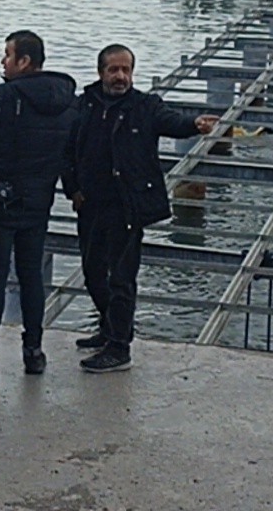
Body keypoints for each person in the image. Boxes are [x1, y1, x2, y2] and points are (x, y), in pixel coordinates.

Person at [60, 44, 219, 373]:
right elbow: (67, 150)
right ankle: (109, 328)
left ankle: (120, 347)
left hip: (127, 206)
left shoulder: (145, 106)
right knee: (92, 274)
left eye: (126, 70)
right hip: (90, 204)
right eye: (113, 70)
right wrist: (72, 189)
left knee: (121, 277)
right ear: (101, 71)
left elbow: (171, 121)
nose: (120, 76)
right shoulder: (84, 105)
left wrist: (195, 123)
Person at [0, 30, 77, 379]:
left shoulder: (6, 95)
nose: (2, 62)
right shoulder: (68, 99)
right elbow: (72, 151)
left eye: (7, 55)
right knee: (31, 275)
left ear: (24, 61)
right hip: (38, 202)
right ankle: (33, 352)